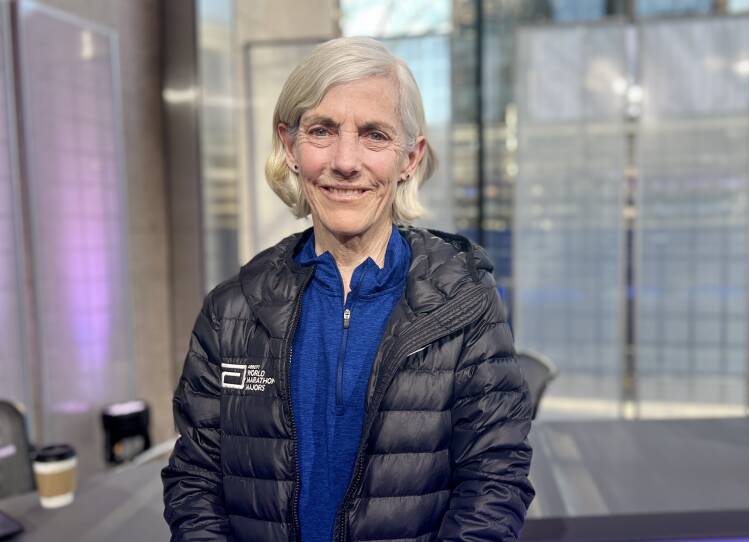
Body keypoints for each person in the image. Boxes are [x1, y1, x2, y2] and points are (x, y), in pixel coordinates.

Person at [161, 36, 535, 542]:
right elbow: (194, 482)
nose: (344, 161)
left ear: (410, 158)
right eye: (322, 130)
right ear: (290, 147)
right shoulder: (232, 310)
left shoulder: (464, 301)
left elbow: (495, 478)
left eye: (374, 135)